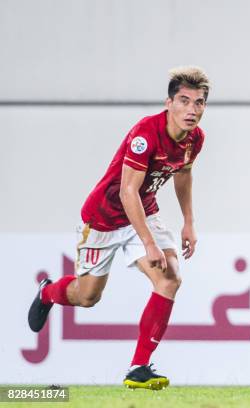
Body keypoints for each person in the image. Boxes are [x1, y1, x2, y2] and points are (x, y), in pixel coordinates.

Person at [27, 66, 210, 390]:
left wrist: (189, 222)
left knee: (170, 278)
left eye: (199, 103)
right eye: (184, 101)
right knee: (87, 297)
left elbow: (183, 174)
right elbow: (127, 192)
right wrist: (149, 244)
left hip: (145, 210)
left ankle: (138, 367)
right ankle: (49, 292)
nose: (192, 110)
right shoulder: (145, 134)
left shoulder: (195, 139)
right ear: (168, 103)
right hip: (104, 218)